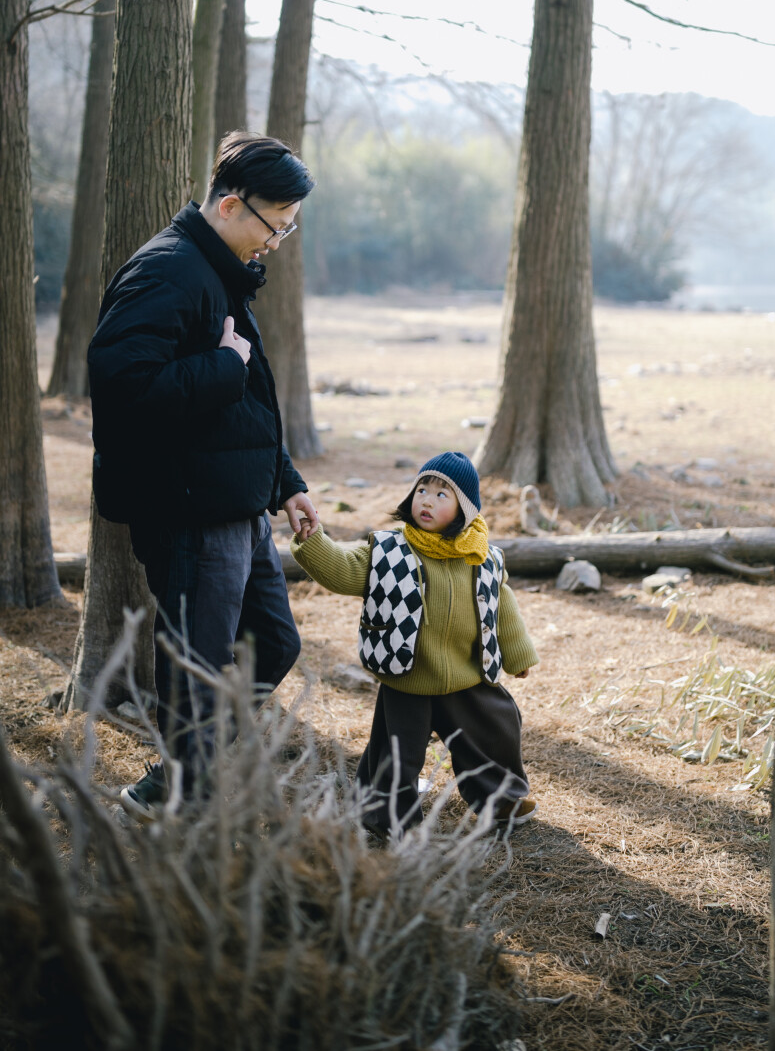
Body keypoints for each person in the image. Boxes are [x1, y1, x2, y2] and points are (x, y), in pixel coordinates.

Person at [88, 132, 321, 819]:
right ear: (228, 205)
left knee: (274, 643)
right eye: (274, 226)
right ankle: (178, 805)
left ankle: (187, 766)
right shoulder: (168, 270)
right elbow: (121, 386)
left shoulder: (216, 270)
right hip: (188, 511)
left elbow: (245, 404)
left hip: (239, 504)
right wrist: (223, 365)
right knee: (199, 660)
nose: (277, 242)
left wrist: (285, 482)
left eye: (289, 228)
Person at [291, 451, 539, 831]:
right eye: (422, 489)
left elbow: (501, 603)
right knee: (394, 754)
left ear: (464, 509)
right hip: (407, 674)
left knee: (496, 731)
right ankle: (387, 815)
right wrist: (313, 541)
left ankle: (500, 800)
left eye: (443, 494)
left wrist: (517, 653)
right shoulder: (388, 552)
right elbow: (343, 570)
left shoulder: (483, 557)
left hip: (467, 675)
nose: (427, 499)